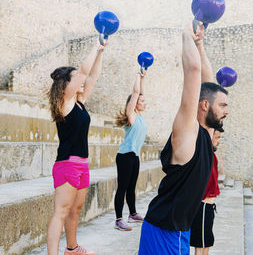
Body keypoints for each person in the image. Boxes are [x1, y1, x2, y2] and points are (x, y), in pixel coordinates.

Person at [138, 22, 229, 255]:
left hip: (175, 228)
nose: (226, 111)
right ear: (205, 106)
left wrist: (200, 44)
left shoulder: (206, 135)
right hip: (166, 230)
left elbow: (209, 86)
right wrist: (186, 34)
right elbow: (194, 73)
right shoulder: (188, 132)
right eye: (223, 105)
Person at [46, 39, 106, 255]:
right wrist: (94, 45)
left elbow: (92, 76)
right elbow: (83, 72)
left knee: (75, 210)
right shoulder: (65, 103)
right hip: (67, 164)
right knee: (60, 212)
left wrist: (100, 52)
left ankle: (72, 249)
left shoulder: (80, 103)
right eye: (76, 80)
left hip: (82, 165)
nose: (82, 82)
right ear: (66, 85)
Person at [113, 70, 148, 231]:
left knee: (131, 187)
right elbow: (136, 93)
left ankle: (132, 214)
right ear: (134, 104)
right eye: (141, 101)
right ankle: (118, 219)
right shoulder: (131, 116)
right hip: (125, 155)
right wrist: (137, 76)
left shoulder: (140, 118)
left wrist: (143, 79)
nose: (144, 102)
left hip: (134, 156)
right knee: (122, 187)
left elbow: (140, 92)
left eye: (143, 100)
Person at [190, 128, 224, 254]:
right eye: (217, 137)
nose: (219, 141)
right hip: (202, 207)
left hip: (208, 208)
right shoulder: (204, 155)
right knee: (201, 246)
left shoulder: (213, 156)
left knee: (206, 244)